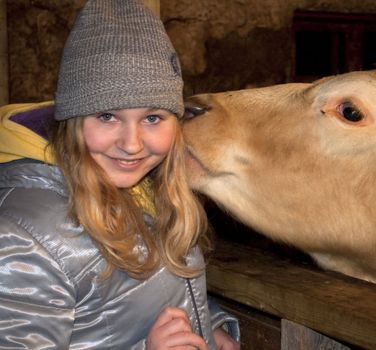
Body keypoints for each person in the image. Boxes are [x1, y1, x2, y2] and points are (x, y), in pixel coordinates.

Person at [0, 0, 240, 349]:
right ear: (73, 120)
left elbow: (146, 293)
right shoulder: (23, 238)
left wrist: (210, 325)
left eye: (153, 118)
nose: (132, 144)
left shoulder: (147, 185)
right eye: (108, 116)